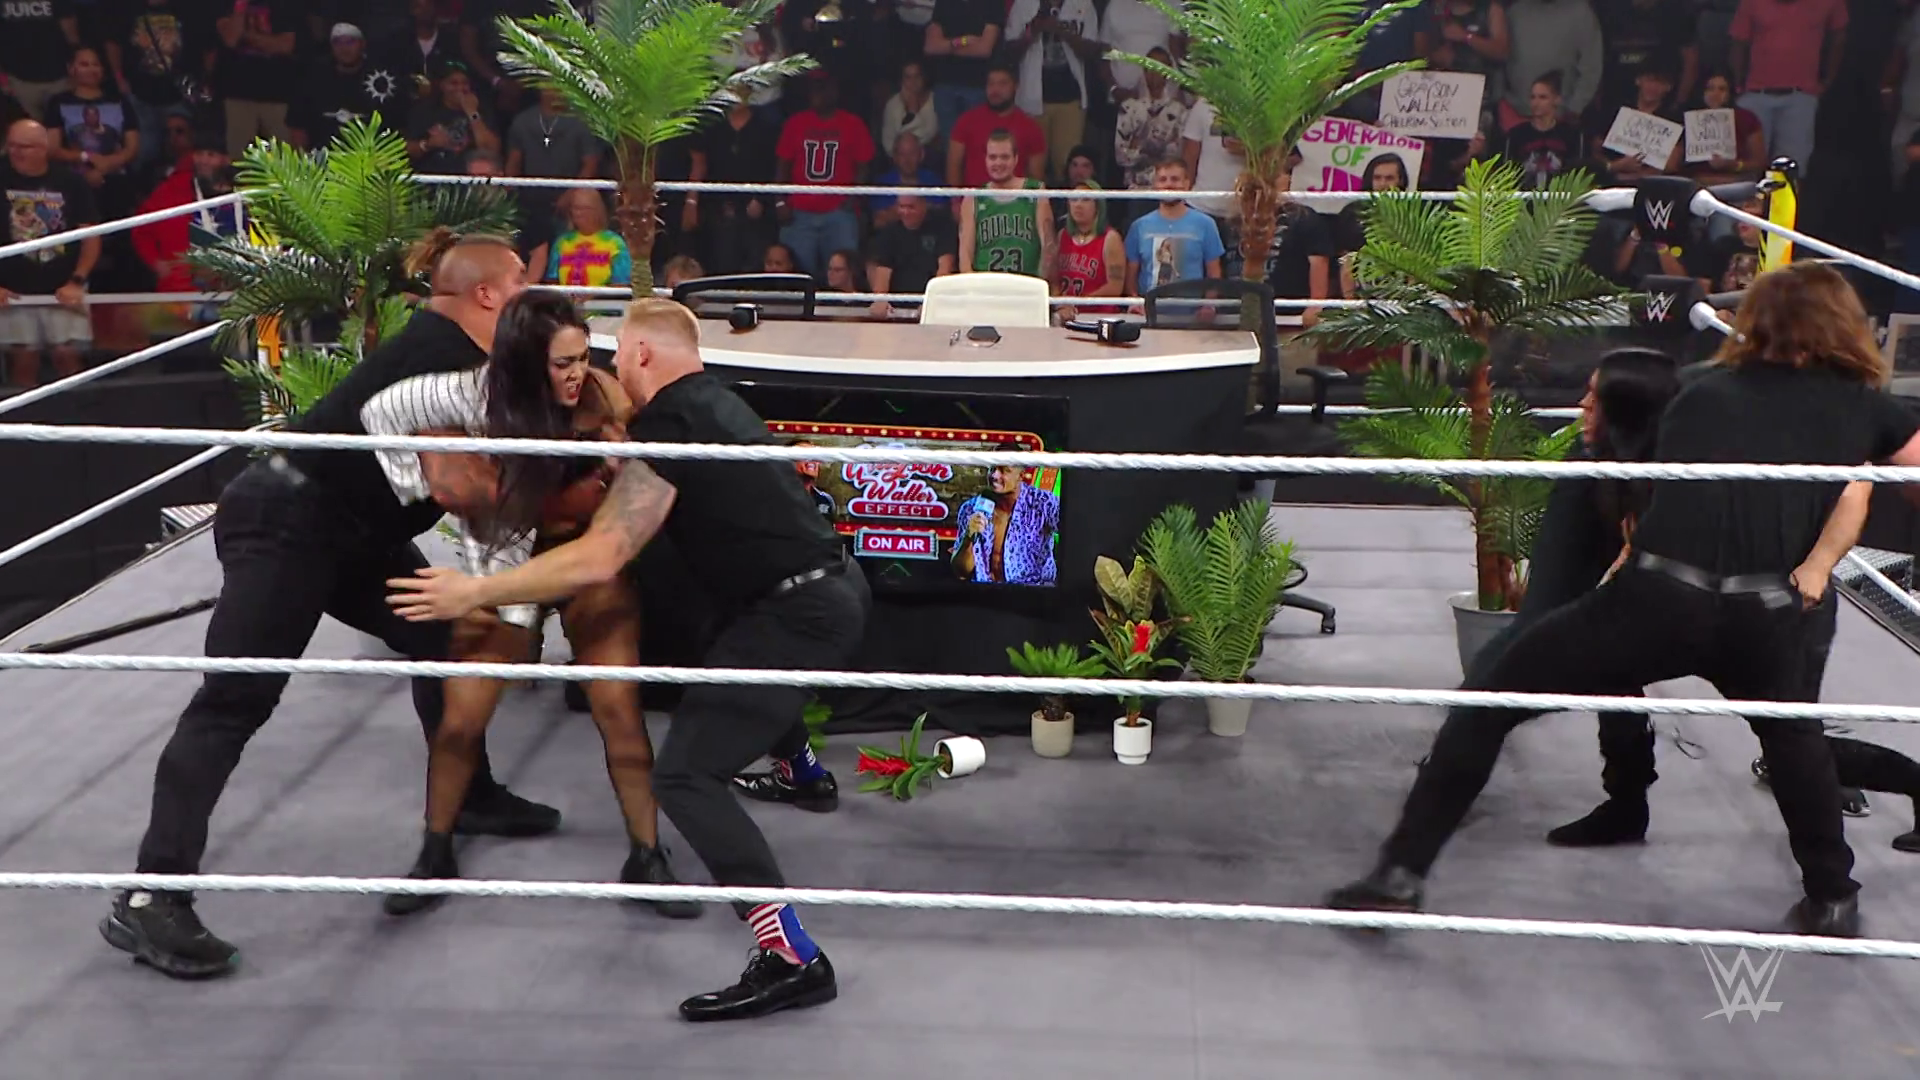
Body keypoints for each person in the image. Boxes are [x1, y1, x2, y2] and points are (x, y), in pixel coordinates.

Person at [1326, 263, 1920, 938]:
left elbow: (1621, 468)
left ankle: (1399, 876)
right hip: (1765, 611)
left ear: (1755, 320)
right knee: (1793, 740)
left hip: (1663, 597)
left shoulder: (1694, 387)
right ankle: (1833, 897)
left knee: (1489, 700)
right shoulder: (1867, 407)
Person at [387, 298, 867, 1022]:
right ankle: (801, 771)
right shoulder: (713, 403)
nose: (604, 374)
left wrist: (474, 591)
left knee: (685, 776)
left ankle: (793, 957)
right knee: (711, 631)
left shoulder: (672, 422)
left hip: (798, 614)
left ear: (640, 355)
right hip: (822, 587)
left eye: (611, 359)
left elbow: (602, 553)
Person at [99, 231, 561, 980]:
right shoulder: (439, 355)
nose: (530, 294)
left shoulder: (462, 358)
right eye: (518, 279)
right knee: (233, 701)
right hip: (287, 518)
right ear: (486, 295)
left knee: (444, 639)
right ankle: (153, 896)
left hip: (353, 530)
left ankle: (469, 792)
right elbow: (457, 485)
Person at [358, 289, 697, 920]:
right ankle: (434, 851)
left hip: (585, 562)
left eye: (582, 357)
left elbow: (649, 449)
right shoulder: (471, 394)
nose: (577, 373)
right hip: (507, 563)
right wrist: (421, 480)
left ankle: (648, 853)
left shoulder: (604, 397)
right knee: (461, 717)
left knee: (619, 708)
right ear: (523, 362)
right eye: (562, 362)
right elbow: (381, 408)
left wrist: (619, 463)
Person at [1521, 352, 1920, 853]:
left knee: (1789, 740)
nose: (1584, 405)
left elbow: (1854, 492)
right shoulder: (1688, 415)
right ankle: (1625, 803)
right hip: (1697, 589)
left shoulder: (1827, 408)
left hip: (1782, 597)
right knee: (1611, 672)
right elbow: (1653, 505)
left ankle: (1908, 791)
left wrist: (1818, 566)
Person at [950, 444, 1061, 585]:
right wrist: (968, 538)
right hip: (985, 592)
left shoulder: (1044, 503)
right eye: (992, 468)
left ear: (1020, 476)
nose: (994, 475)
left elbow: (1077, 536)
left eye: (1004, 470)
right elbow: (961, 572)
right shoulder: (971, 509)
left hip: (1034, 592)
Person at [958, 129, 1051, 277]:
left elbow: (1048, 245)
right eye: (993, 157)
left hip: (1026, 283)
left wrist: (1042, 282)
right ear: (985, 159)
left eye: (1005, 157)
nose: (998, 163)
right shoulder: (973, 197)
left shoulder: (1035, 191)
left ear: (1016, 159)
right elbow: (965, 256)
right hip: (986, 285)